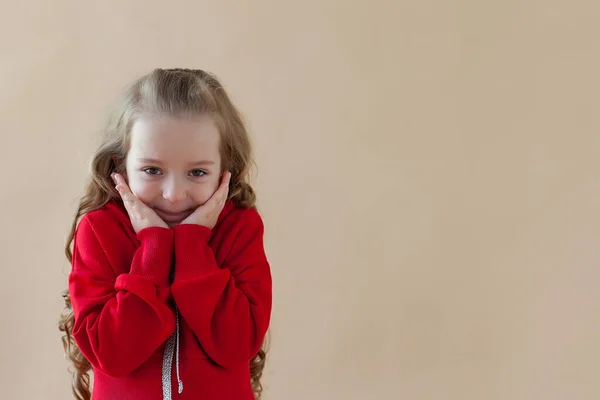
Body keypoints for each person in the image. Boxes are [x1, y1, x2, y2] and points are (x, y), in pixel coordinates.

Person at [58, 68, 272, 400]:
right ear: (120, 165)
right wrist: (153, 249)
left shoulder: (239, 229)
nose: (173, 194)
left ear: (226, 168)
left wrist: (192, 245)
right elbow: (111, 354)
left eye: (197, 172)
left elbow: (237, 345)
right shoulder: (99, 231)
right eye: (152, 170)